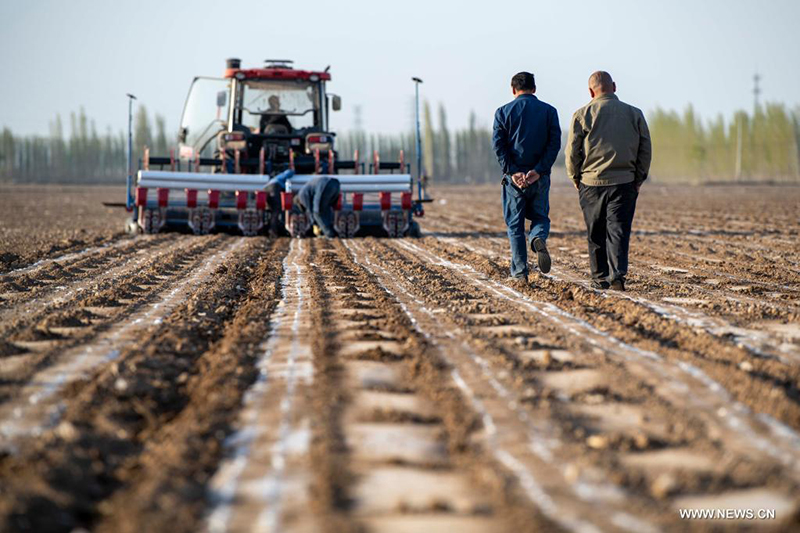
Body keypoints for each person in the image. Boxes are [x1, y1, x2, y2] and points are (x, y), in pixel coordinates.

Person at [565, 71, 652, 291]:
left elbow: (572, 152)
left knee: (595, 232)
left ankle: (599, 276)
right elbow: (645, 149)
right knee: (618, 231)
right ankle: (617, 278)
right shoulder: (635, 114)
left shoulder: (582, 115)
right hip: (625, 182)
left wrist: (575, 177)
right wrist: (639, 177)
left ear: (590, 91)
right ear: (614, 86)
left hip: (591, 183)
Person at [492, 71, 561, 283]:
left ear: (513, 90)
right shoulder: (549, 112)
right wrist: (539, 170)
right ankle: (538, 237)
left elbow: (498, 145)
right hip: (539, 178)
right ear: (535, 89)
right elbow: (554, 144)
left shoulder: (503, 112)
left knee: (515, 225)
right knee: (540, 217)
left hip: (514, 181)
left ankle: (520, 273)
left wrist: (513, 172)